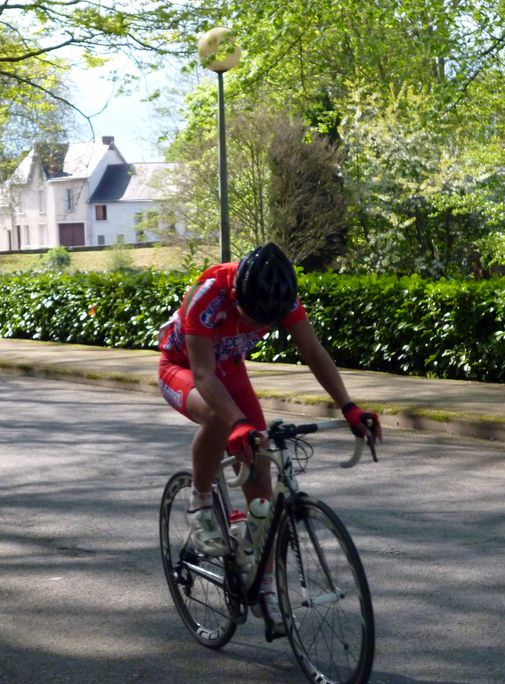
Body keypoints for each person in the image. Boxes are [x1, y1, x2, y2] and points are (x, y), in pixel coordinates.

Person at [157, 242, 382, 638]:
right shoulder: (206, 295)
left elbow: (313, 351)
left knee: (263, 501)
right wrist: (238, 423)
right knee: (219, 419)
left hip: (229, 369)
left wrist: (348, 407)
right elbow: (205, 376)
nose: (252, 325)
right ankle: (201, 502)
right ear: (234, 295)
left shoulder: (282, 298)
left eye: (264, 322)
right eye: (247, 316)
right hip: (185, 369)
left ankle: (262, 587)